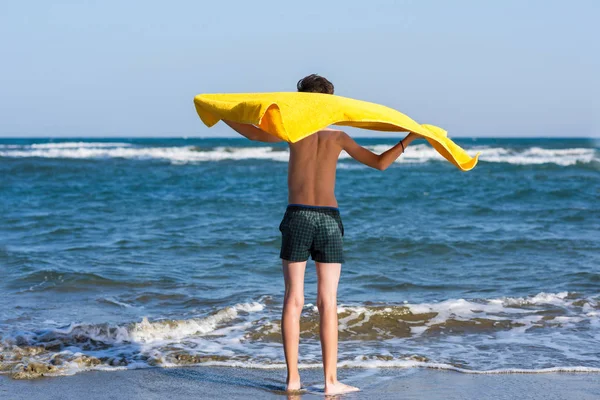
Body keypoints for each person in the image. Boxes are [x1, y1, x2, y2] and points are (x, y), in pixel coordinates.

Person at [223, 74, 420, 395]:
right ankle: (330, 382)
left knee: (293, 300)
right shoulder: (339, 137)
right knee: (328, 302)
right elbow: (381, 164)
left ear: (300, 100)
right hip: (329, 219)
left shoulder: (292, 130)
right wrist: (409, 138)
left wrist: (222, 114)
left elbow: (252, 134)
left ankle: (293, 379)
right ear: (331, 103)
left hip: (297, 216)